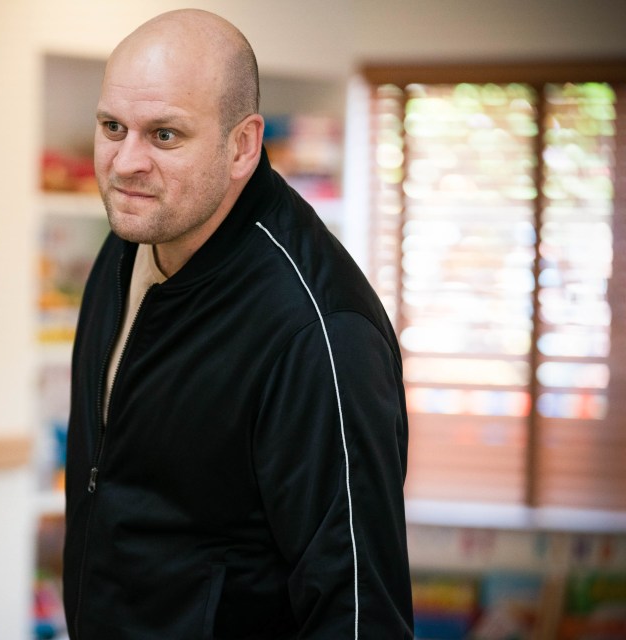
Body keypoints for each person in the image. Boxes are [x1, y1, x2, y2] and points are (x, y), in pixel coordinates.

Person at [63, 9, 413, 639]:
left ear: (243, 145)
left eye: (165, 135)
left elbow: (359, 614)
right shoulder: (128, 246)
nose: (126, 162)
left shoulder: (317, 331)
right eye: (113, 127)